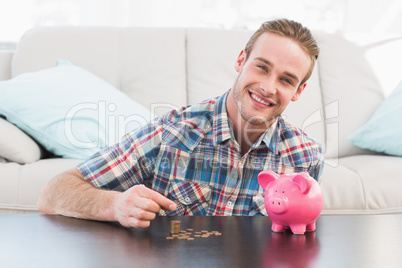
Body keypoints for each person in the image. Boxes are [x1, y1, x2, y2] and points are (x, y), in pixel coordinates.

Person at [38, 18, 323, 228]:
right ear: (241, 60)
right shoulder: (171, 133)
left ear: (298, 91)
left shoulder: (306, 158)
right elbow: (53, 193)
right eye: (262, 67)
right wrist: (115, 205)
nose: (268, 87)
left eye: (286, 80)